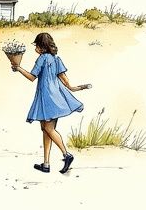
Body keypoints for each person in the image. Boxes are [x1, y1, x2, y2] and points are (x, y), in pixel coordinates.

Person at [12, 32, 90, 174]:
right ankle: (46, 164)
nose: (35, 48)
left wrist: (18, 68)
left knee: (49, 129)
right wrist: (78, 88)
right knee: (45, 128)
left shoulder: (42, 59)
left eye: (36, 45)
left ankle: (67, 155)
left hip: (47, 98)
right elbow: (66, 82)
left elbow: (31, 77)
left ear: (41, 46)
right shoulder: (56, 59)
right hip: (56, 97)